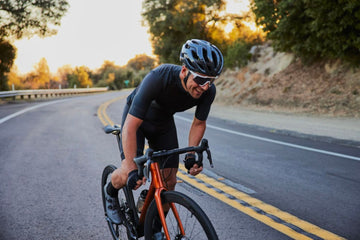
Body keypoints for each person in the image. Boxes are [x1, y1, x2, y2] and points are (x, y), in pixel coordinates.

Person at [103, 39, 224, 230]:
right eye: (200, 80)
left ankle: (156, 230)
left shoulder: (208, 91)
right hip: (137, 121)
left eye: (210, 81)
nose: (204, 87)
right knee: (129, 173)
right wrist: (130, 165)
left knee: (170, 181)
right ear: (184, 71)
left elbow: (199, 123)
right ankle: (110, 192)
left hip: (163, 122)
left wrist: (191, 155)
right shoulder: (159, 77)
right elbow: (130, 127)